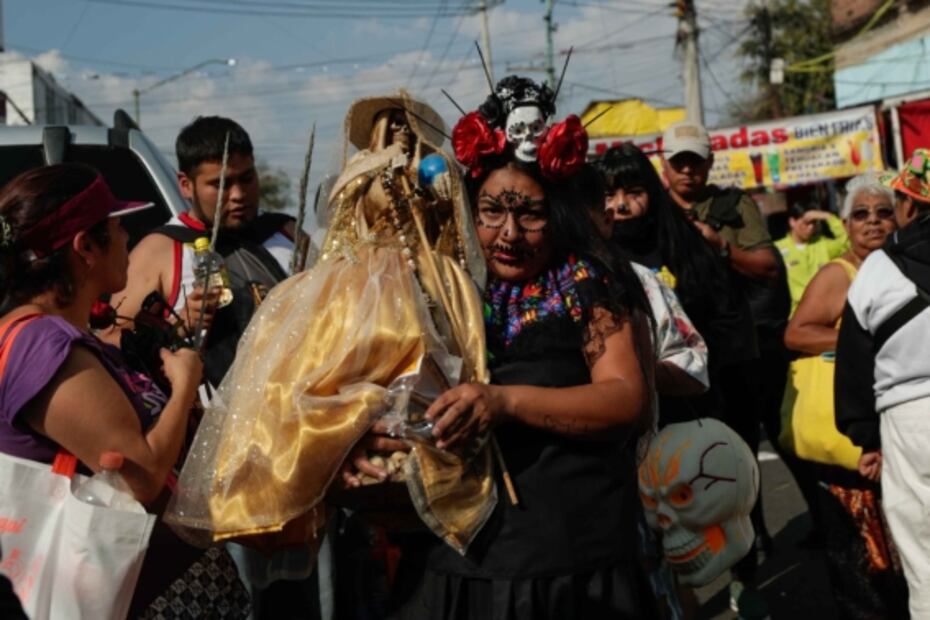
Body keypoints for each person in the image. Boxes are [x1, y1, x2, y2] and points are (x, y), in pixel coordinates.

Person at [381, 79, 658, 619]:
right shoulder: (444, 286)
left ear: (560, 212)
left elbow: (625, 400)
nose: (509, 233)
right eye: (491, 212)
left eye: (530, 214)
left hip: (570, 554)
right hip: (461, 551)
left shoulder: (587, 282)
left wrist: (503, 402)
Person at [0, 164, 251, 616]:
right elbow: (143, 474)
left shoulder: (50, 337)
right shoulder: (44, 344)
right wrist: (184, 384)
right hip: (138, 592)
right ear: (85, 247)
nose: (127, 240)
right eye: (117, 229)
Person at [660, 121, 789, 612]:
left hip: (730, 351)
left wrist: (718, 244)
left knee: (734, 459)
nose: (687, 170)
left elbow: (767, 267)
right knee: (674, 471)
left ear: (710, 162)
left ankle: (745, 569)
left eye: (696, 160)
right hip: (674, 357)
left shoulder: (732, 207)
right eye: (679, 161)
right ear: (664, 163)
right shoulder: (651, 211)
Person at [784, 173, 906, 618]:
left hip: (890, 427)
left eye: (883, 213)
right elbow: (796, 333)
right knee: (858, 549)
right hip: (847, 439)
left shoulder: (898, 266)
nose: (873, 222)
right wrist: (854, 342)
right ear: (846, 225)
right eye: (861, 214)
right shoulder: (840, 274)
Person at [108, 115, 295, 389]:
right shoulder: (158, 251)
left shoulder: (286, 233)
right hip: (209, 423)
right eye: (221, 184)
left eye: (247, 178)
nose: (239, 194)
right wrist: (179, 325)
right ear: (185, 184)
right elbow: (110, 345)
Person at [836, 150, 930, 618]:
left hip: (909, 423)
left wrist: (866, 437)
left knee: (922, 555)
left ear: (908, 206)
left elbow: (854, 362)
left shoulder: (877, 268)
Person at [775, 202, 849, 316]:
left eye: (814, 222)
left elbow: (848, 242)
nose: (811, 227)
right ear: (792, 222)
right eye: (807, 222)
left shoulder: (822, 244)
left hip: (825, 312)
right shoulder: (778, 249)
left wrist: (827, 216)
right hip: (795, 315)